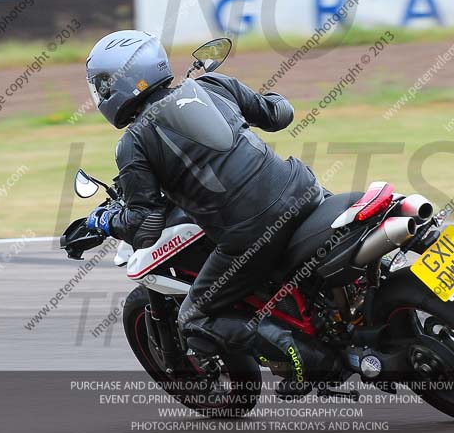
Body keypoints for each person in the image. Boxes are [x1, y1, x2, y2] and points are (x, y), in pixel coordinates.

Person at [83, 30, 340, 396]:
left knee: (194, 317)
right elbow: (280, 114)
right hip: (305, 190)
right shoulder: (214, 84)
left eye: (103, 85)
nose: (102, 94)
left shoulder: (134, 142)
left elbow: (146, 225)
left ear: (120, 82)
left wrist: (103, 220)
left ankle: (310, 361)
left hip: (251, 233)